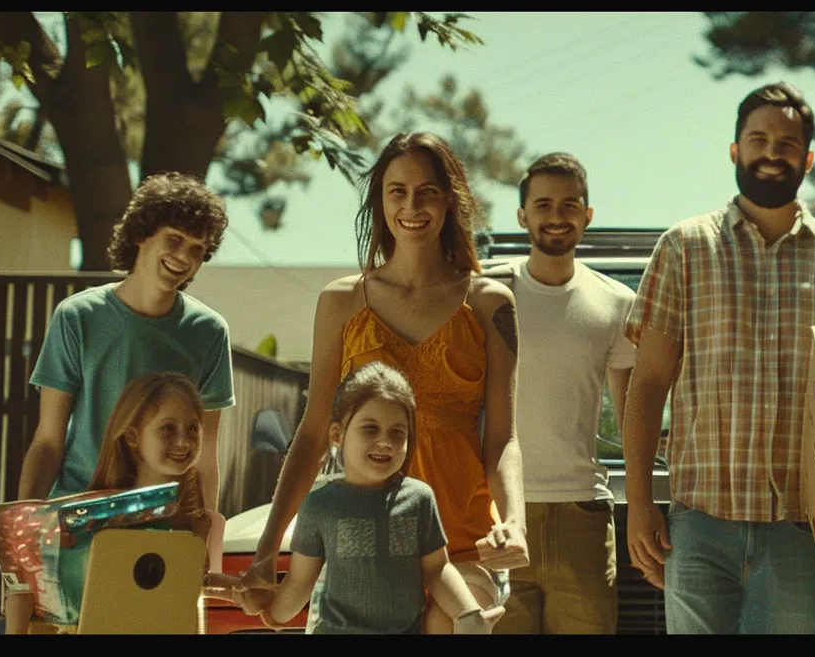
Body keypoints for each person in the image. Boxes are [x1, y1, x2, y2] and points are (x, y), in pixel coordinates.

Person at [622, 82, 815, 634]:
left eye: (788, 143)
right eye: (758, 139)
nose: (772, 153)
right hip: (699, 524)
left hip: (802, 528)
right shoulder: (684, 248)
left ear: (808, 158)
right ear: (735, 150)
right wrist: (640, 504)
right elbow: (648, 383)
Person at [246, 132, 524, 634]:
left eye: (427, 191)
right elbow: (312, 435)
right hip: (364, 545)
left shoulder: (489, 303)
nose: (412, 205)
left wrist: (515, 523)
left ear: (450, 199)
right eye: (397, 191)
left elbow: (502, 436)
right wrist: (267, 551)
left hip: (459, 541)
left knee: (454, 622)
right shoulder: (341, 301)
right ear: (380, 200)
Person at [18, 172, 235, 515]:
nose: (184, 256)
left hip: (161, 517)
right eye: (175, 239)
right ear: (140, 234)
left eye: (197, 248)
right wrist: (24, 526)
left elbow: (206, 455)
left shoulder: (209, 331)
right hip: (79, 512)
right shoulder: (78, 316)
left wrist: (203, 538)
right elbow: (48, 440)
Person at [483, 153, 635, 634]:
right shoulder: (487, 290)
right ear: (523, 216)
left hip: (582, 516)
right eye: (543, 204)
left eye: (570, 204)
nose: (556, 215)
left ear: (587, 215)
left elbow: (631, 415)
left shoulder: (616, 302)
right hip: (496, 513)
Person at [237, 362, 505, 634]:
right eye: (370, 429)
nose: (385, 442)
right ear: (337, 436)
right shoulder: (319, 505)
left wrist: (468, 613)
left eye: (397, 433)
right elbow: (300, 582)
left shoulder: (419, 499)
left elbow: (437, 570)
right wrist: (272, 614)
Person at [4, 372, 237, 634]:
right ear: (132, 436)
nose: (183, 441)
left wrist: (239, 593)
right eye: (168, 428)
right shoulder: (88, 521)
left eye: (193, 427)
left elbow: (192, 591)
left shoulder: (198, 522)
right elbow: (47, 602)